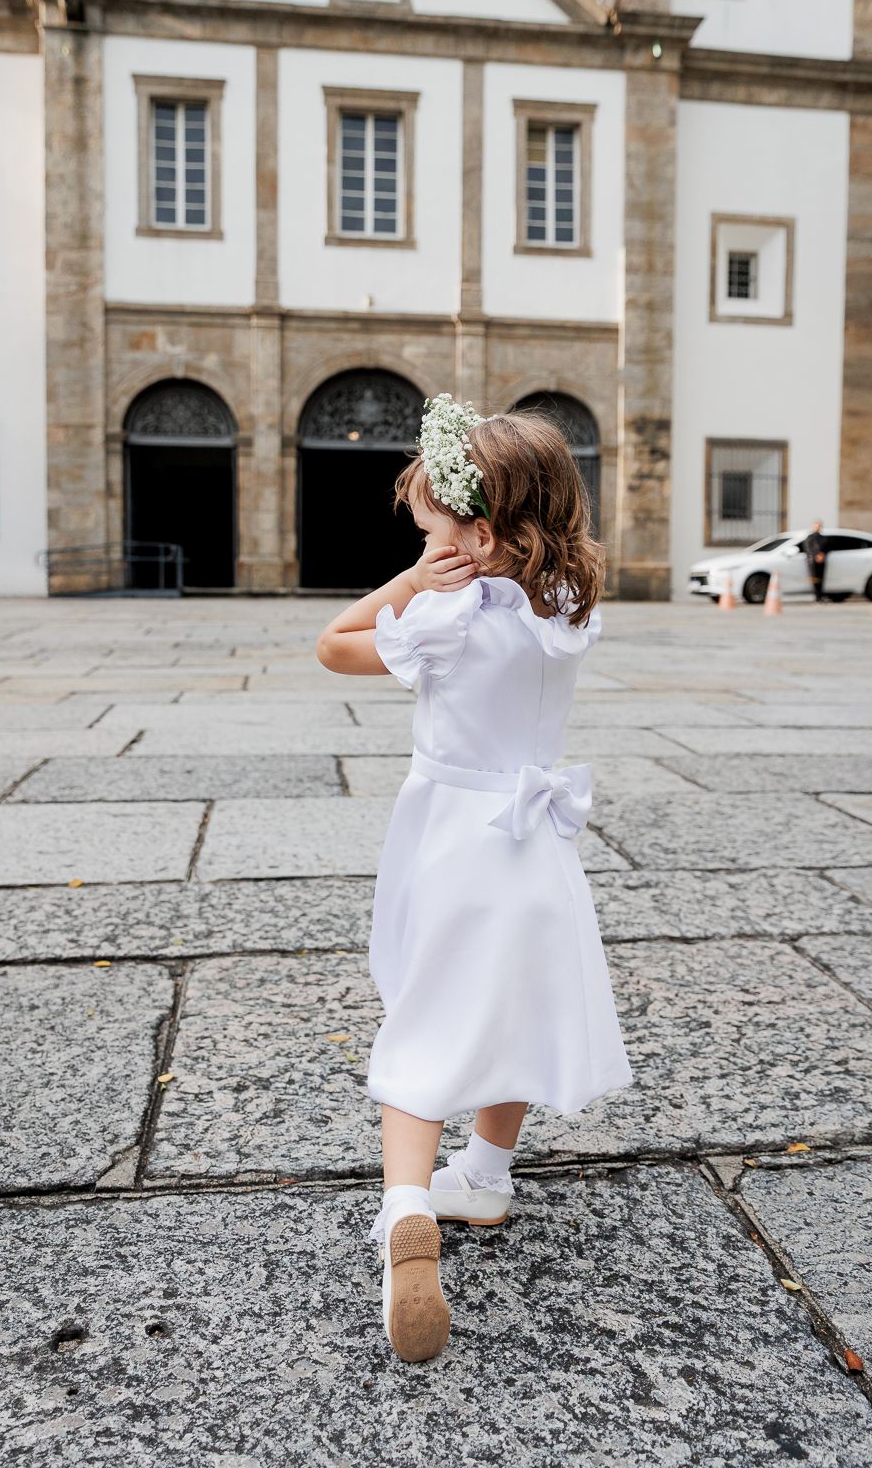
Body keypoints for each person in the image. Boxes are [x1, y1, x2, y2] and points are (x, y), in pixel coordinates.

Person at [315, 395, 634, 1364]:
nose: (424, 542)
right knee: (514, 1007)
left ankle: (408, 1211)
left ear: (478, 533)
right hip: (535, 846)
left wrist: (410, 581)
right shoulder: (566, 607)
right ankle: (485, 1175)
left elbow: (332, 644)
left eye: (431, 528)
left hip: (454, 836)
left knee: (422, 1019)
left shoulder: (444, 614)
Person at [802, 518, 829, 601]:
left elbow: (827, 547)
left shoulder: (824, 538)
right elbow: (807, 548)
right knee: (814, 578)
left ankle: (820, 595)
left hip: (822, 561)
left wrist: (822, 555)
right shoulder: (809, 537)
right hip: (812, 561)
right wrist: (816, 555)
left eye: (819, 526)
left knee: (821, 578)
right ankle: (817, 595)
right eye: (816, 526)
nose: (817, 527)